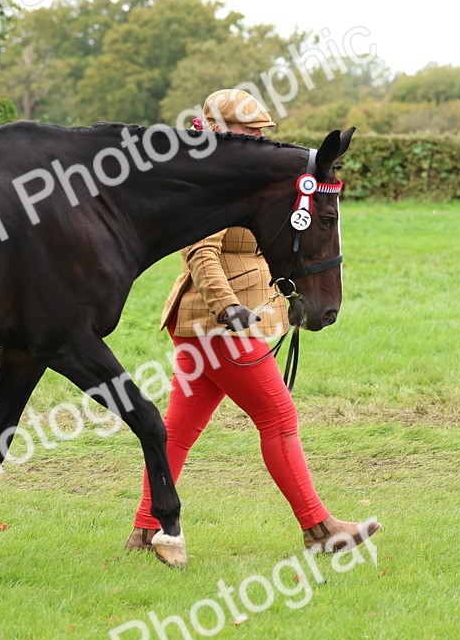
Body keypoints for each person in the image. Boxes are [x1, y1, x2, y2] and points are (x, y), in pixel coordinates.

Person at [125, 89, 381, 554]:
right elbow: (201, 253)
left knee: (177, 432)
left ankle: (146, 530)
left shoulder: (241, 175)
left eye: (263, 130)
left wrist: (288, 301)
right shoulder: (209, 180)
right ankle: (319, 530)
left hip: (211, 322)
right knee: (278, 417)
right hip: (221, 324)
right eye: (251, 130)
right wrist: (227, 309)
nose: (261, 137)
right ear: (220, 131)